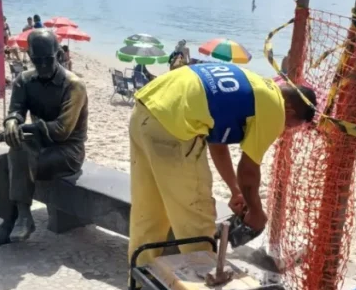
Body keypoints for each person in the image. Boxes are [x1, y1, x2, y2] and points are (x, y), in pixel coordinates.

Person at [128, 63, 317, 268]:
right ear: (289, 109)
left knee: (148, 214)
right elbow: (248, 170)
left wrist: (236, 191)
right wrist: (255, 210)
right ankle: (205, 288)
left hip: (145, 110)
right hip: (174, 127)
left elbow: (217, 145)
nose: (284, 130)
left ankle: (138, 287)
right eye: (289, 125)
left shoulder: (254, 86)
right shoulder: (275, 108)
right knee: (197, 219)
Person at [0, 29, 88, 247]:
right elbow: (15, 110)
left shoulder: (74, 86)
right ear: (30, 57)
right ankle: (17, 219)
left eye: (48, 60)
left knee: (12, 159)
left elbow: (62, 130)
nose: (43, 65)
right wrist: (11, 124)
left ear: (59, 55)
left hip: (67, 151)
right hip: (38, 147)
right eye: (37, 61)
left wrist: (25, 128)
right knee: (12, 156)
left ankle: (13, 221)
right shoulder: (24, 81)